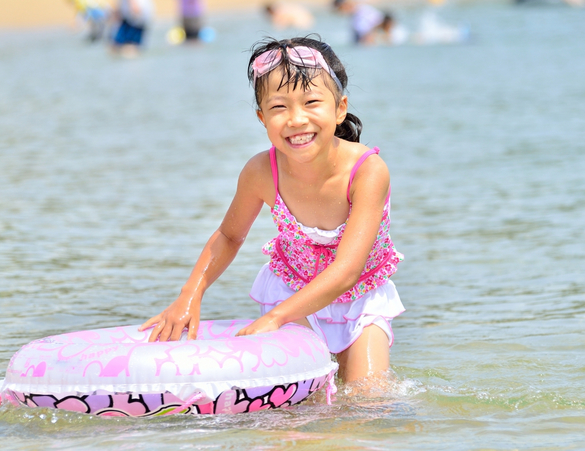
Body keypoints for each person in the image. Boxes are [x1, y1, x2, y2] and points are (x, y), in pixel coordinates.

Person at [139, 36, 405, 384]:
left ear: (339, 108)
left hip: (359, 300)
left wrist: (275, 318)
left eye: (312, 102)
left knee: (368, 398)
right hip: (291, 290)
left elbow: (347, 271)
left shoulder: (367, 172)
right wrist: (189, 296)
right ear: (262, 117)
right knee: (302, 402)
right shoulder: (261, 172)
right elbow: (229, 235)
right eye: (279, 108)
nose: (296, 119)